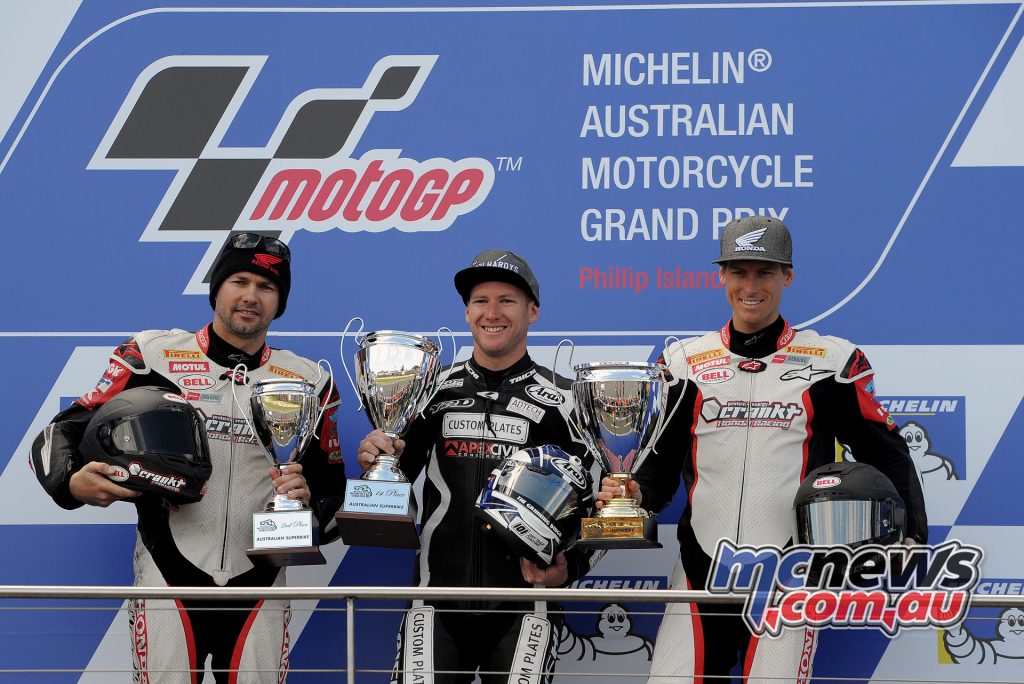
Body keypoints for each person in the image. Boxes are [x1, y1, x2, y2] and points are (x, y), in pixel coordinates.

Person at [597, 216, 928, 684]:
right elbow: (661, 465)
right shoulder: (683, 363)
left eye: (764, 272)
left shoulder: (828, 363)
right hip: (697, 570)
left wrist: (913, 535)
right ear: (721, 276)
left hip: (788, 576)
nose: (750, 286)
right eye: (739, 271)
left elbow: (888, 451)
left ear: (786, 276)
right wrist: (632, 496)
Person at [30, 232, 346, 683]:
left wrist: (308, 504)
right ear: (216, 287)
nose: (250, 296)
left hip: (263, 579)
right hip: (168, 571)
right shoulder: (154, 354)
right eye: (239, 280)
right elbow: (62, 430)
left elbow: (332, 492)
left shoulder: (310, 381)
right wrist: (71, 483)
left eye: (267, 287)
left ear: (280, 302)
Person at [357, 249, 603, 684]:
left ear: (533, 311)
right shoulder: (428, 392)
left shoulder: (565, 400)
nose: (492, 313)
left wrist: (572, 566)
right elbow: (393, 486)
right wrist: (377, 461)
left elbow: (601, 504)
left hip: (527, 607)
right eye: (480, 301)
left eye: (506, 300)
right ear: (467, 313)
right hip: (435, 604)